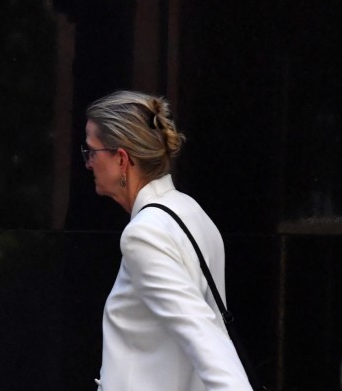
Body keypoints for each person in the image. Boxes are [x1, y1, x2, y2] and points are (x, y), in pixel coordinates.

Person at [84, 90, 253, 391]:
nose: (88, 163)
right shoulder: (192, 212)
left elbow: (203, 334)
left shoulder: (143, 234)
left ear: (121, 159)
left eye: (91, 152)